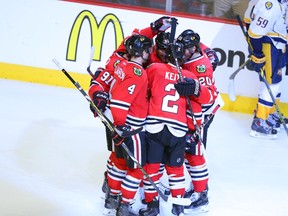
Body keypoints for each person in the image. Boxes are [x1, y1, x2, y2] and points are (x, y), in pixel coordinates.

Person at [87, 16, 173, 215]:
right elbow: (100, 84)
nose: (152, 52)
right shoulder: (124, 63)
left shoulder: (124, 62)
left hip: (120, 118)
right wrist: (97, 96)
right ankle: (121, 201)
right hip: (125, 122)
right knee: (132, 164)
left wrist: (153, 29)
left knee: (120, 160)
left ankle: (112, 195)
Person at [139, 41, 217, 215]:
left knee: (152, 167)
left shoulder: (155, 69)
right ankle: (179, 207)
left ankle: (152, 207)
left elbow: (142, 90)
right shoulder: (190, 76)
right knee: (176, 170)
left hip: (154, 127)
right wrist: (196, 89)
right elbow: (208, 100)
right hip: (179, 129)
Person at [105, 34, 153, 216]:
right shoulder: (138, 74)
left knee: (119, 164)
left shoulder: (122, 65)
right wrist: (121, 126)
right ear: (142, 52)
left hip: (119, 125)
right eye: (148, 49)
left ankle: (112, 199)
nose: (150, 53)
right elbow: (120, 102)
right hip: (131, 128)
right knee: (137, 170)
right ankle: (124, 206)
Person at [175, 29, 222, 214]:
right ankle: (198, 189)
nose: (181, 52)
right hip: (192, 113)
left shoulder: (201, 66)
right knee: (190, 153)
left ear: (194, 48)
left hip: (202, 113)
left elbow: (208, 98)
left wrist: (195, 89)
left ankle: (202, 194)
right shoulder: (193, 53)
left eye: (185, 49)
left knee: (195, 153)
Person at [244, 0, 288, 139]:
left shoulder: (281, 2)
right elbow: (255, 32)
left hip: (278, 44)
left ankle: (270, 114)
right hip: (270, 45)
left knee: (276, 82)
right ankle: (259, 121)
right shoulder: (270, 5)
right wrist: (257, 54)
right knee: (271, 83)